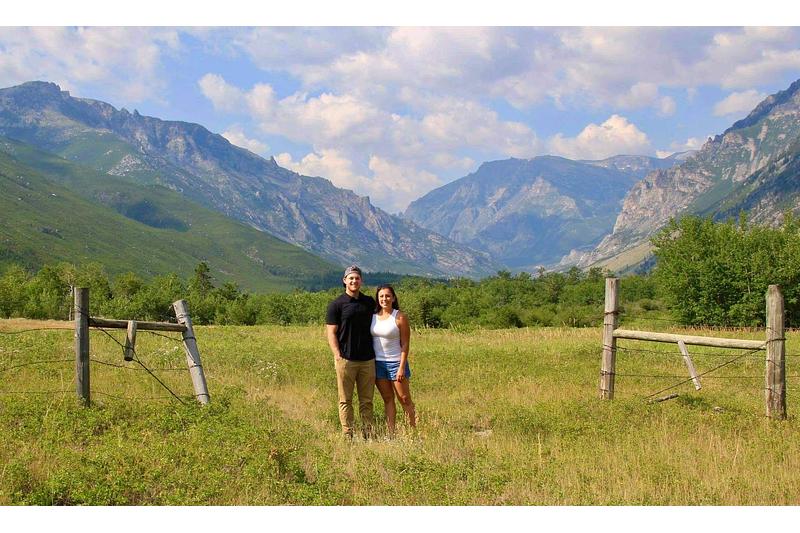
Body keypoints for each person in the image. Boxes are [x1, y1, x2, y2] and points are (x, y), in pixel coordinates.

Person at [325, 265, 376, 439]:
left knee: (367, 401)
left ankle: (368, 434)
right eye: (351, 278)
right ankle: (348, 434)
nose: (354, 281)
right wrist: (337, 355)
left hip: (367, 360)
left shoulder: (369, 302)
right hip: (346, 360)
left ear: (361, 281)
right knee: (345, 400)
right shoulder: (336, 305)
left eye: (357, 278)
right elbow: (331, 332)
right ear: (344, 280)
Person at [371, 284, 416, 436]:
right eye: (381, 296)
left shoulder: (400, 317)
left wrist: (401, 367)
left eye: (388, 296)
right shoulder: (373, 317)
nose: (384, 299)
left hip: (396, 362)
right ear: (378, 299)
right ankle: (391, 433)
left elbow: (405, 344)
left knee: (404, 398)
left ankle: (412, 431)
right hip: (378, 364)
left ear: (393, 298)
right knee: (388, 399)